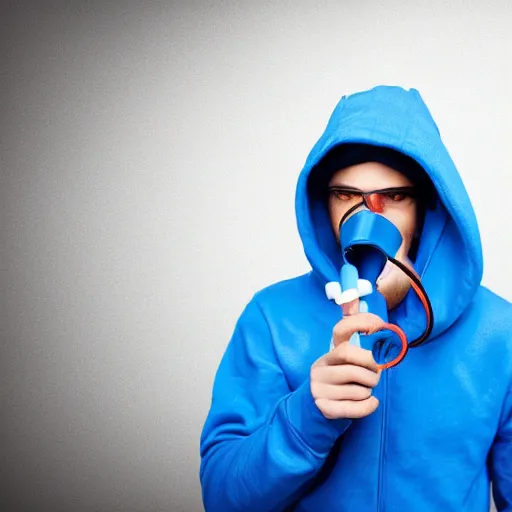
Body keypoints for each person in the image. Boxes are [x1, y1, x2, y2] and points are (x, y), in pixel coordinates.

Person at [199, 85, 512, 511]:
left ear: (427, 209)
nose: (369, 217)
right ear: (323, 205)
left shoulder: (499, 331)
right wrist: (306, 418)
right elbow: (222, 498)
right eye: (346, 195)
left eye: (395, 197)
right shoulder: (271, 318)